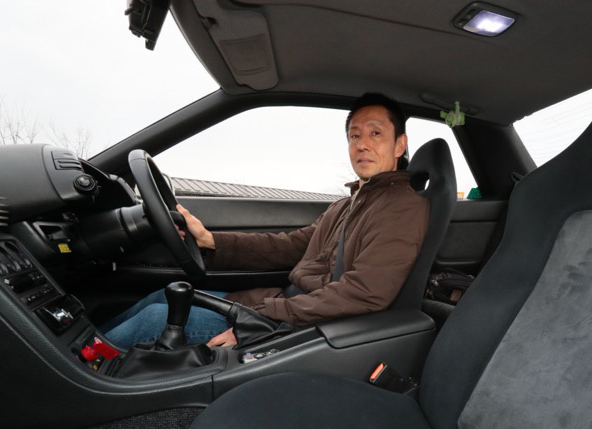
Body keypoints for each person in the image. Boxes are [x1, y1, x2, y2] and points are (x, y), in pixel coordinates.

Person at [100, 93, 430, 349]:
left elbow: (363, 293)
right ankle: (88, 355)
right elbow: (291, 246)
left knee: (154, 320)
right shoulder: (346, 204)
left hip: (300, 328)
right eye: (354, 136)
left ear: (399, 145)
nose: (363, 144)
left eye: (376, 133)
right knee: (163, 297)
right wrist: (211, 240)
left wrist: (261, 319)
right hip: (286, 307)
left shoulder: (402, 208)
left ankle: (86, 371)